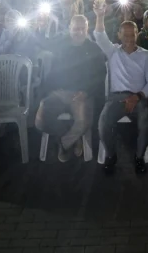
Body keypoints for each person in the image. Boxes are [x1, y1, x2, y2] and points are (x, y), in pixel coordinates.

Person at [93, 3, 148, 175]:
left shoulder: (145, 55)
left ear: (137, 34)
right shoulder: (113, 51)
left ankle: (139, 157)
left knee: (145, 121)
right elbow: (99, 36)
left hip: (138, 97)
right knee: (104, 121)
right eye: (125, 34)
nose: (129, 38)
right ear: (119, 35)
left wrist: (136, 96)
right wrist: (99, 16)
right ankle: (111, 155)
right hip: (116, 98)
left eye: (132, 34)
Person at [37, 15, 107, 162]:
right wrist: (42, 26)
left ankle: (64, 143)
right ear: (69, 29)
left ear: (87, 29)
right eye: (76, 29)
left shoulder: (93, 48)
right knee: (40, 118)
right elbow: (44, 43)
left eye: (83, 29)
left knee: (83, 122)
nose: (79, 32)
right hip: (59, 91)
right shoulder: (61, 45)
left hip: (82, 94)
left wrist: (86, 92)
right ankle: (72, 137)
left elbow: (100, 74)